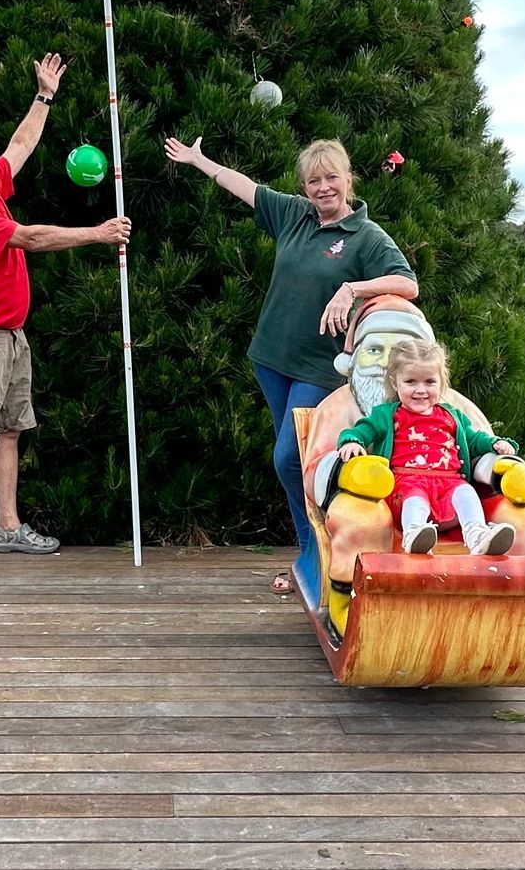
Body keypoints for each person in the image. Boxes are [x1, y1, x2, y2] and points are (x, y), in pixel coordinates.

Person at [162, 133, 417, 568]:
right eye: (313, 181)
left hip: (319, 368)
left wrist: (352, 288)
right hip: (271, 360)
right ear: (305, 188)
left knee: (292, 458)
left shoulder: (367, 236)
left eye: (331, 178)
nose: (323, 188)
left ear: (348, 180)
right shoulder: (294, 215)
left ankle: (321, 553)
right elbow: (242, 186)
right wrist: (198, 160)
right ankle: (314, 553)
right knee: (297, 460)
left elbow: (408, 284)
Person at [0, 53, 131, 571]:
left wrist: (44, 95)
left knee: (8, 431)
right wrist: (98, 233)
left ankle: (6, 528)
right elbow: (29, 237)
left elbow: (20, 146)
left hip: (9, 336)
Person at [334, 334, 517, 558]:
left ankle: (477, 535)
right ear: (395, 382)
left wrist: (496, 443)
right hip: (406, 483)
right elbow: (361, 430)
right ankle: (415, 535)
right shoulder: (388, 415)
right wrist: (352, 441)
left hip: (449, 483)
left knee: (467, 492)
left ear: (441, 383)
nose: (421, 390)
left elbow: (474, 439)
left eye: (429, 382)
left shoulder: (452, 416)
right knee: (415, 498)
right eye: (411, 382)